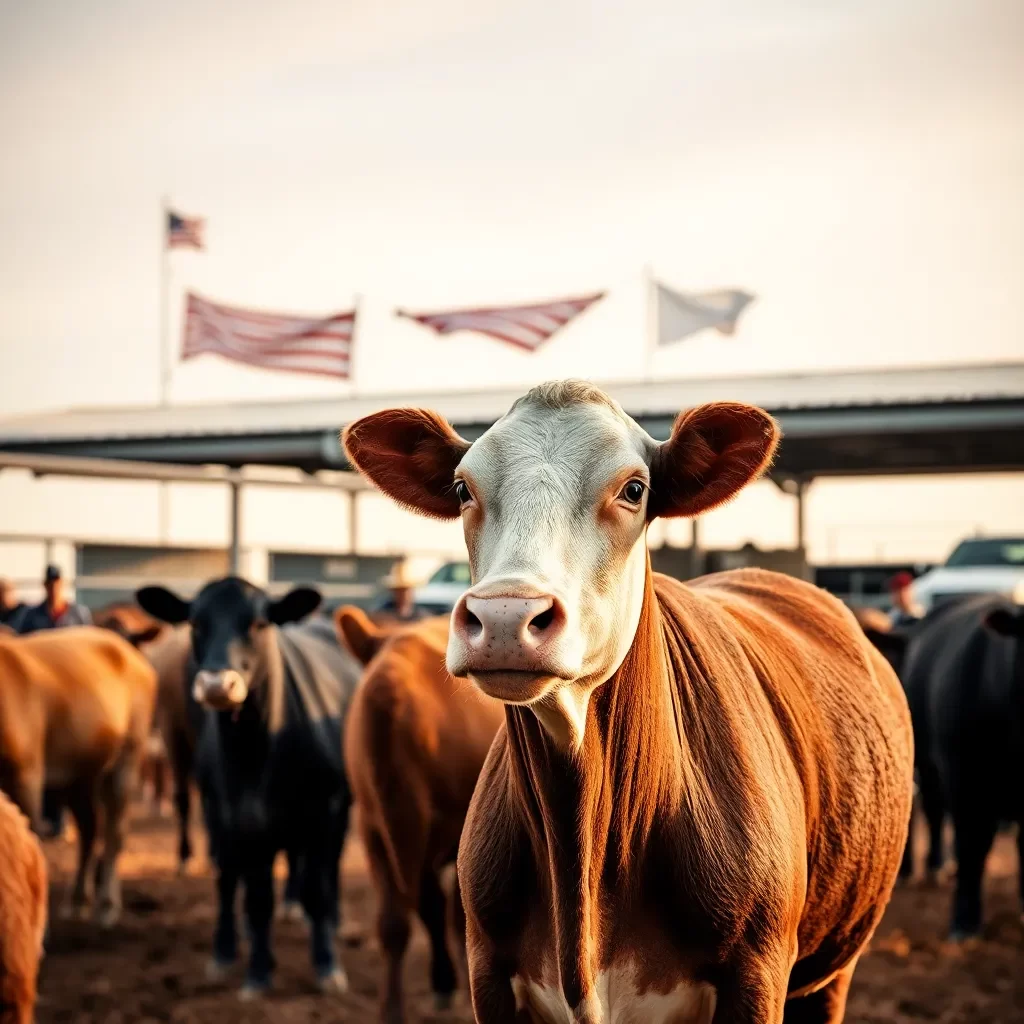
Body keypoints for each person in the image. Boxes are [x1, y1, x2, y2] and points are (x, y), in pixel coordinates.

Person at [17, 565, 92, 634]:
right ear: (45, 585)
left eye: (57, 584)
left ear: (62, 584)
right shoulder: (32, 616)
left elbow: (88, 639)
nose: (54, 589)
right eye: (50, 585)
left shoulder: (79, 613)